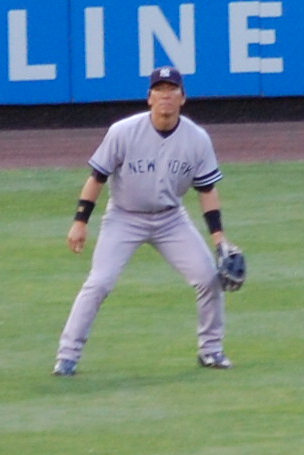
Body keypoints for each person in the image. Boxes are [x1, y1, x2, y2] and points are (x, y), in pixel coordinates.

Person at [53, 66, 237, 376]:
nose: (165, 96)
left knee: (208, 278)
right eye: (159, 90)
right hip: (124, 217)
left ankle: (211, 351)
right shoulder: (123, 132)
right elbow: (97, 177)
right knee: (99, 283)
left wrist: (220, 239)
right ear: (149, 98)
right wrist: (80, 221)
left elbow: (207, 190)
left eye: (172, 90)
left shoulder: (197, 139)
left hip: (171, 219)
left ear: (183, 98)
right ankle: (67, 356)